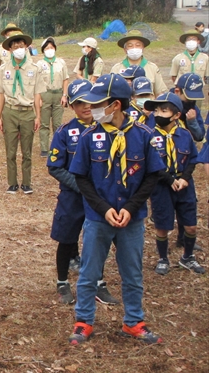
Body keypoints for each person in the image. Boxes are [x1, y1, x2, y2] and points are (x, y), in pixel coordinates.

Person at [68, 74, 165, 345]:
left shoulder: (144, 136)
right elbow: (82, 178)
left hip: (131, 219)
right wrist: (102, 208)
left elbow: (152, 176)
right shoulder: (89, 136)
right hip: (99, 218)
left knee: (132, 273)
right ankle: (83, 321)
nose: (93, 109)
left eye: (99, 104)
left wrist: (132, 208)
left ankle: (133, 321)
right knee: (89, 272)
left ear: (116, 106)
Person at [47, 79, 119, 306]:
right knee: (66, 239)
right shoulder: (65, 132)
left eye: (91, 101)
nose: (86, 107)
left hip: (99, 199)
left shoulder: (108, 130)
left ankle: (98, 283)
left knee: (96, 241)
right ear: (71, 106)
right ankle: (62, 282)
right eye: (80, 103)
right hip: (72, 198)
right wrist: (79, 186)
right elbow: (55, 166)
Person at [144, 93, 204, 276]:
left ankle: (188, 256)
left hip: (184, 185)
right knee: (162, 224)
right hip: (162, 186)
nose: (158, 114)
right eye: (156, 110)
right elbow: (151, 163)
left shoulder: (184, 134)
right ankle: (163, 258)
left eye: (164, 110)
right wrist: (170, 180)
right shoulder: (150, 135)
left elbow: (193, 158)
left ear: (177, 115)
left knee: (191, 225)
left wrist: (185, 178)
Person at [0, 31, 46, 194]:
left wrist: (37, 116)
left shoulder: (34, 69)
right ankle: (12, 183)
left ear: (26, 47)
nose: (18, 49)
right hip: (10, 112)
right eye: (15, 46)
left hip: (28, 112)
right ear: (9, 50)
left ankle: (27, 183)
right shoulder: (3, 69)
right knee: (10, 150)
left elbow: (37, 94)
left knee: (27, 150)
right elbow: (0, 94)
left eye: (21, 46)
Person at [37, 37, 69, 157]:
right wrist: (39, 98)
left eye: (51, 47)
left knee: (57, 124)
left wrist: (64, 95)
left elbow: (65, 79)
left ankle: (57, 147)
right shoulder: (39, 64)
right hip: (45, 94)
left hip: (58, 94)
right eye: (47, 48)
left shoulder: (61, 62)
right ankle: (44, 148)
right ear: (43, 50)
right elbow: (37, 82)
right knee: (44, 123)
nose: (49, 50)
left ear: (55, 49)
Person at [110, 30, 167, 95]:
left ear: (143, 48)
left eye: (138, 45)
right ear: (125, 49)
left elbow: (160, 93)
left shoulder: (152, 68)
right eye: (130, 46)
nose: (134, 48)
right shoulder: (116, 69)